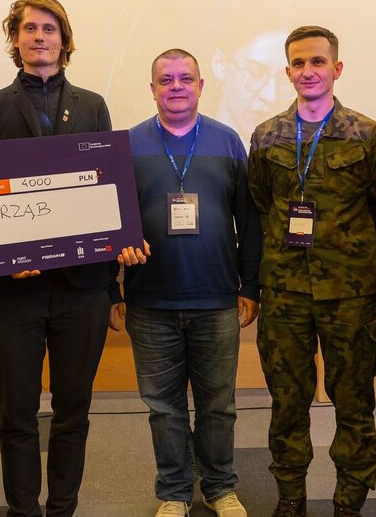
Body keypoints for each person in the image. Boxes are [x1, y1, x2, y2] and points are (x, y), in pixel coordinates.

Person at [0, 0, 115, 517]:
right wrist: (2, 257)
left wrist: (114, 286)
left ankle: (63, 509)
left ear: (64, 40)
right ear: (15, 39)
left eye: (49, 28)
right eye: (29, 28)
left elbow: (106, 191)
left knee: (73, 410)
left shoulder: (93, 105)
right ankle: (22, 511)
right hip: (15, 294)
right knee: (16, 413)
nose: (39, 36)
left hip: (83, 288)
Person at [110, 49, 262, 517]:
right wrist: (111, 291)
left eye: (185, 78)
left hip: (216, 297)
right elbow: (109, 225)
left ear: (200, 86)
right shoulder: (129, 145)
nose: (175, 86)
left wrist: (250, 285)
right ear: (151, 88)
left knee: (219, 404)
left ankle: (219, 487)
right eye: (165, 79)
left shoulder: (227, 140)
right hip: (148, 299)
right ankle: (174, 491)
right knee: (163, 406)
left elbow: (250, 219)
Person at [247, 25, 376, 517]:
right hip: (284, 291)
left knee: (354, 401)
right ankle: (290, 495)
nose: (309, 71)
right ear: (288, 72)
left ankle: (350, 499)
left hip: (349, 293)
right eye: (299, 63)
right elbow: (262, 205)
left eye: (318, 62)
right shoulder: (267, 136)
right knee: (288, 402)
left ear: (337, 69)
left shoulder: (368, 135)